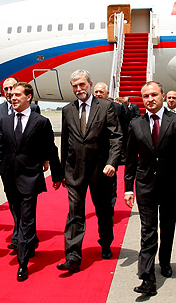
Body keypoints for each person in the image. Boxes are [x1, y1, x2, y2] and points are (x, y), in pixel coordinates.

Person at [125, 81, 176, 296]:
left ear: (163, 96)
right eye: (145, 96)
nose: (150, 99)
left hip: (170, 185)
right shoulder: (135, 124)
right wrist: (129, 188)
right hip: (145, 184)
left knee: (167, 226)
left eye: (154, 94)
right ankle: (147, 277)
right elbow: (130, 160)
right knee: (148, 231)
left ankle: (165, 260)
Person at [0, 82, 63, 281]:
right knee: (18, 216)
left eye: (18, 95)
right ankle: (29, 242)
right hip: (9, 176)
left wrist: (57, 175)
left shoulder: (41, 122)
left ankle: (22, 263)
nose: (13, 98)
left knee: (27, 217)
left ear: (28, 97)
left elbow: (51, 149)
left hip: (30, 176)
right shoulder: (4, 121)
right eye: (11, 95)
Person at [57, 69, 122, 273]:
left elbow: (116, 137)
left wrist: (112, 162)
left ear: (90, 84)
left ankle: (105, 242)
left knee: (103, 212)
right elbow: (65, 143)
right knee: (75, 214)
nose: (79, 89)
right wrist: (62, 173)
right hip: (75, 172)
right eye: (75, 86)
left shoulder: (106, 107)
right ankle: (73, 256)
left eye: (82, 85)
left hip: (101, 172)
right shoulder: (67, 110)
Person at [0, 77, 40, 251]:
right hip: (6, 164)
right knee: (13, 201)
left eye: (12, 88)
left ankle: (22, 234)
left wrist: (44, 158)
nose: (9, 92)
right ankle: (21, 229)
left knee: (28, 202)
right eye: (6, 89)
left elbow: (39, 133)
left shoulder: (33, 108)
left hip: (27, 165)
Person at [94, 82, 128, 207]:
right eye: (96, 92)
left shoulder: (117, 108)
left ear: (107, 94)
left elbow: (123, 130)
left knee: (110, 183)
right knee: (96, 185)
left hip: (110, 153)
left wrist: (121, 152)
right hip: (93, 154)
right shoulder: (88, 107)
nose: (98, 94)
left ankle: (110, 209)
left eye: (101, 92)